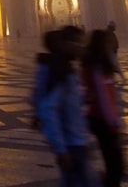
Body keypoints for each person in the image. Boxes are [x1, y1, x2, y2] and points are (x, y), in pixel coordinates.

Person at [33, 26, 90, 187]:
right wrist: (60, 148)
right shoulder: (60, 71)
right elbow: (48, 107)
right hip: (71, 144)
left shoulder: (66, 69)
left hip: (76, 142)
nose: (82, 48)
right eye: (79, 44)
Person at [82, 29, 124, 187]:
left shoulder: (100, 66)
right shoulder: (95, 67)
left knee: (115, 165)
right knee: (115, 165)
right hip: (103, 121)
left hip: (103, 121)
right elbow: (102, 96)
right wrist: (113, 121)